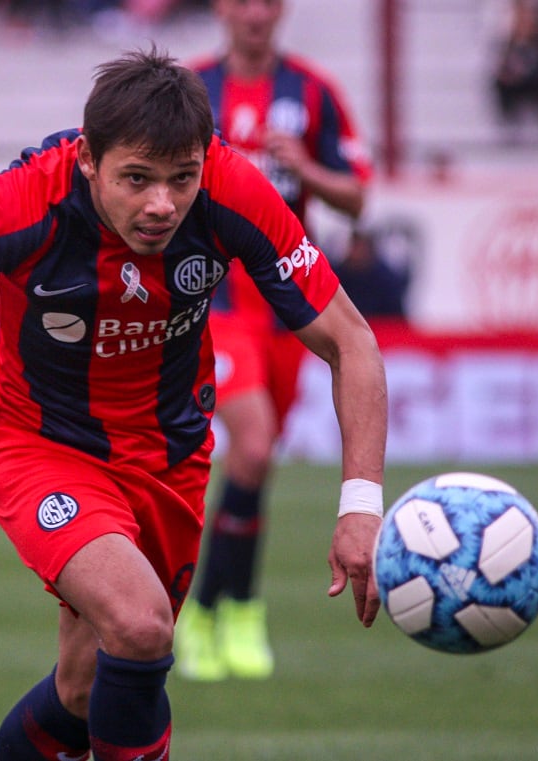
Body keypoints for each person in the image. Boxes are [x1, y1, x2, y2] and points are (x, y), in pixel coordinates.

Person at [0, 47, 386, 760]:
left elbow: (351, 341)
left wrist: (361, 504)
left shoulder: (232, 189)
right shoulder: (17, 203)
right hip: (42, 447)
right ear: (88, 159)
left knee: (85, 690)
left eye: (181, 178)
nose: (162, 204)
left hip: (171, 457)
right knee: (141, 625)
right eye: (137, 178)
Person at [174, 0, 375, 682]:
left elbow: (356, 197)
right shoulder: (190, 90)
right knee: (253, 444)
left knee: (256, 464)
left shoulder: (313, 92)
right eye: (242, 1)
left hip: (289, 302)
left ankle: (233, 609)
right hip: (215, 297)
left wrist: (305, 169)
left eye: (266, 1)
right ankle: (213, 611)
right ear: (221, 9)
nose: (254, 13)